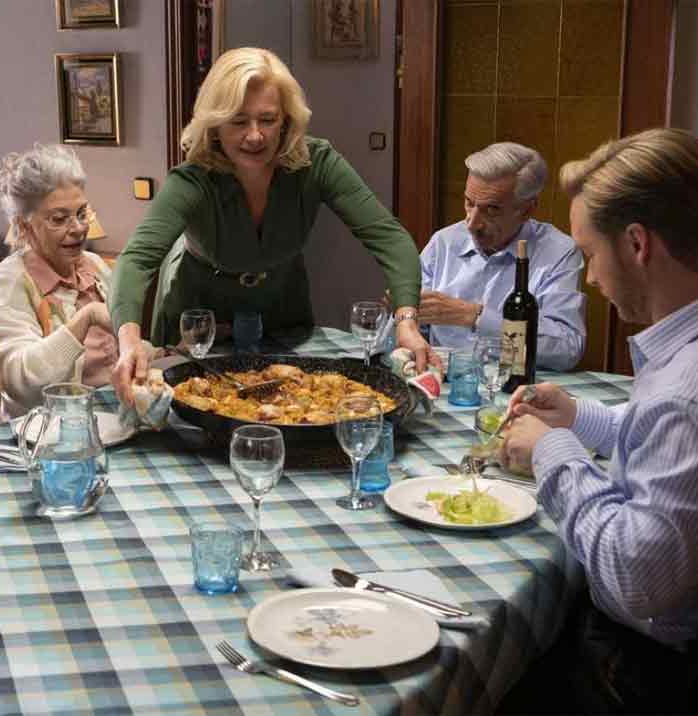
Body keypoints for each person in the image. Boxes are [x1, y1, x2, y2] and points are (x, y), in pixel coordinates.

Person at [500, 128, 698, 712]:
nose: (589, 278)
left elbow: (634, 582)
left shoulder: (685, 391)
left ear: (637, 244)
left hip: (647, 675)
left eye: (590, 255)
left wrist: (551, 453)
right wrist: (578, 419)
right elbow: (665, 453)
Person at [109, 47, 430, 403]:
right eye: (238, 121)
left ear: (288, 120)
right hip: (198, 324)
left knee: (294, 406)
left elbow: (389, 237)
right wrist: (129, 340)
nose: (255, 136)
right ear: (214, 125)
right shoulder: (192, 181)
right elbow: (136, 259)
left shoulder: (317, 162)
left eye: (267, 119)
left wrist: (406, 321)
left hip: (282, 313)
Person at [0, 144, 158, 421]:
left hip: (113, 421)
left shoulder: (94, 266)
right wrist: (85, 318)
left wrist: (163, 353)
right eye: (59, 219)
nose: (78, 228)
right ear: (24, 227)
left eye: (81, 213)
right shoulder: (8, 282)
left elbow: (118, 356)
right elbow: (21, 384)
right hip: (43, 436)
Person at [418, 142, 586, 370]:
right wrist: (403, 316)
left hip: (515, 386)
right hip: (443, 380)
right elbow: (411, 326)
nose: (472, 223)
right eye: (469, 203)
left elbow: (567, 348)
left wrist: (475, 317)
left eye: (491, 209)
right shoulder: (444, 242)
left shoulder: (558, 252)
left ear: (527, 210)